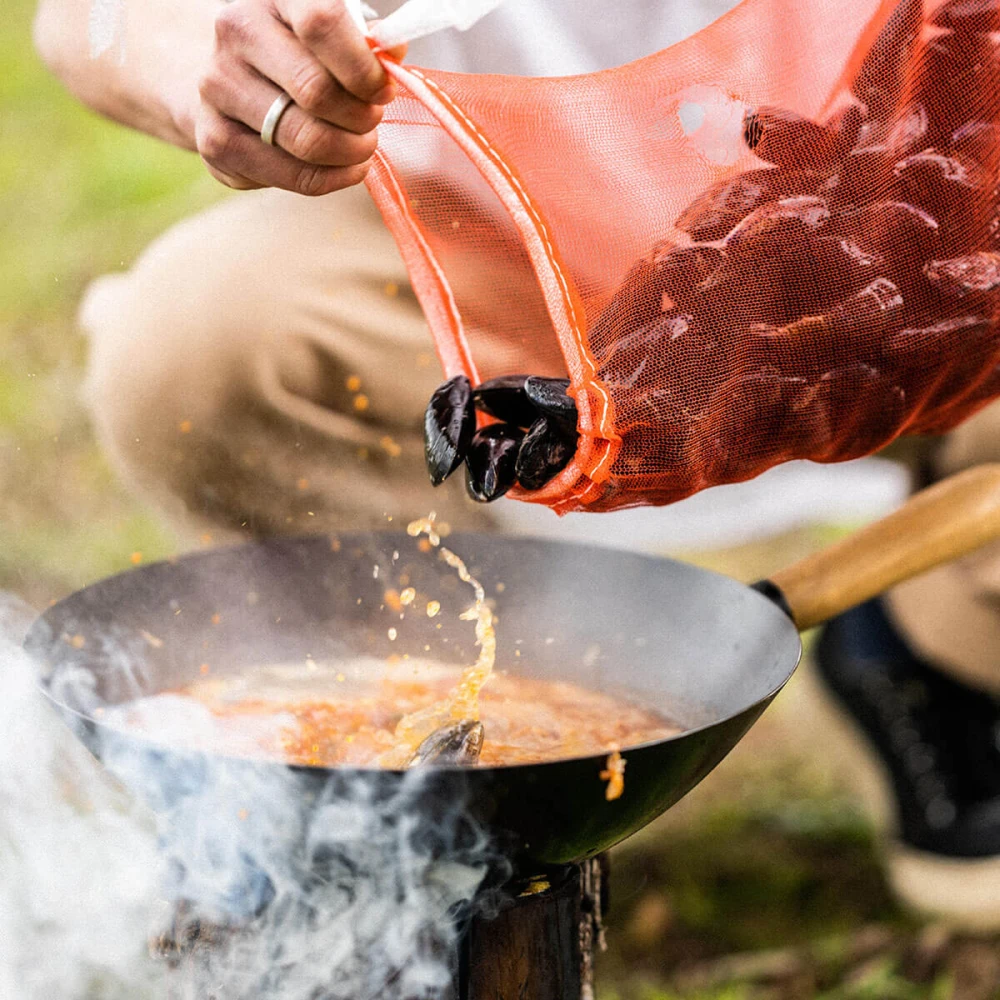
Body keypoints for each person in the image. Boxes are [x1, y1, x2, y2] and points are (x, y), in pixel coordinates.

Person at [32, 0, 1000, 928]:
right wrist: (212, 70)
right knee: (193, 342)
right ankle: (455, 713)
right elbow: (91, 16)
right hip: (495, 262)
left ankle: (936, 654)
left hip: (909, 260)